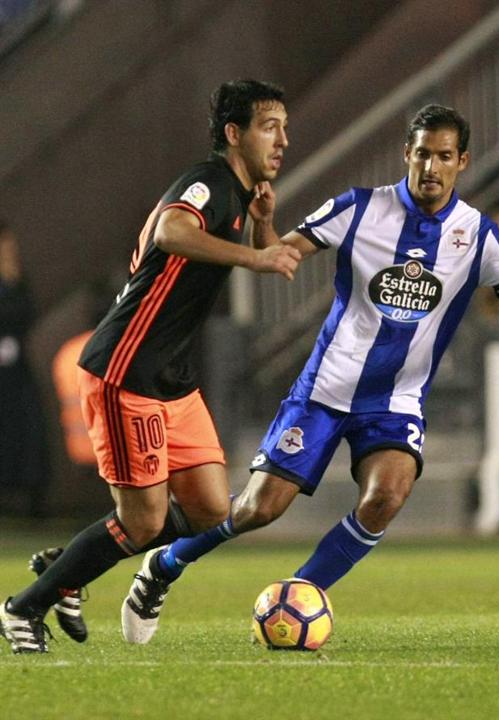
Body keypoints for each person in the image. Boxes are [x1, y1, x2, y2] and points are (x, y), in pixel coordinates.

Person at [119, 104, 499, 645]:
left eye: (444, 156)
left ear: (461, 161)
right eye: (422, 154)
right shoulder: (358, 208)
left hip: (394, 401)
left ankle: (298, 596)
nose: (431, 167)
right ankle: (163, 567)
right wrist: (265, 226)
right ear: (407, 154)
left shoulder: (476, 234)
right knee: (257, 509)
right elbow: (280, 256)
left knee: (385, 497)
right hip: (325, 390)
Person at [0, 79, 300, 654]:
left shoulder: (240, 194)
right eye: (270, 127)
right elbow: (171, 230)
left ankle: (71, 565)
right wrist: (253, 257)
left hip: (171, 378)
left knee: (212, 510)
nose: (283, 140)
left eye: (284, 127)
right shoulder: (208, 181)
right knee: (141, 522)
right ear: (234, 134)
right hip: (127, 370)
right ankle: (23, 608)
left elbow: (262, 251)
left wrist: (264, 223)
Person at [0, 221, 51, 518]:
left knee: (29, 427)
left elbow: (26, 313)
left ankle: (33, 499)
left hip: (17, 370)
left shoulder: (16, 278)